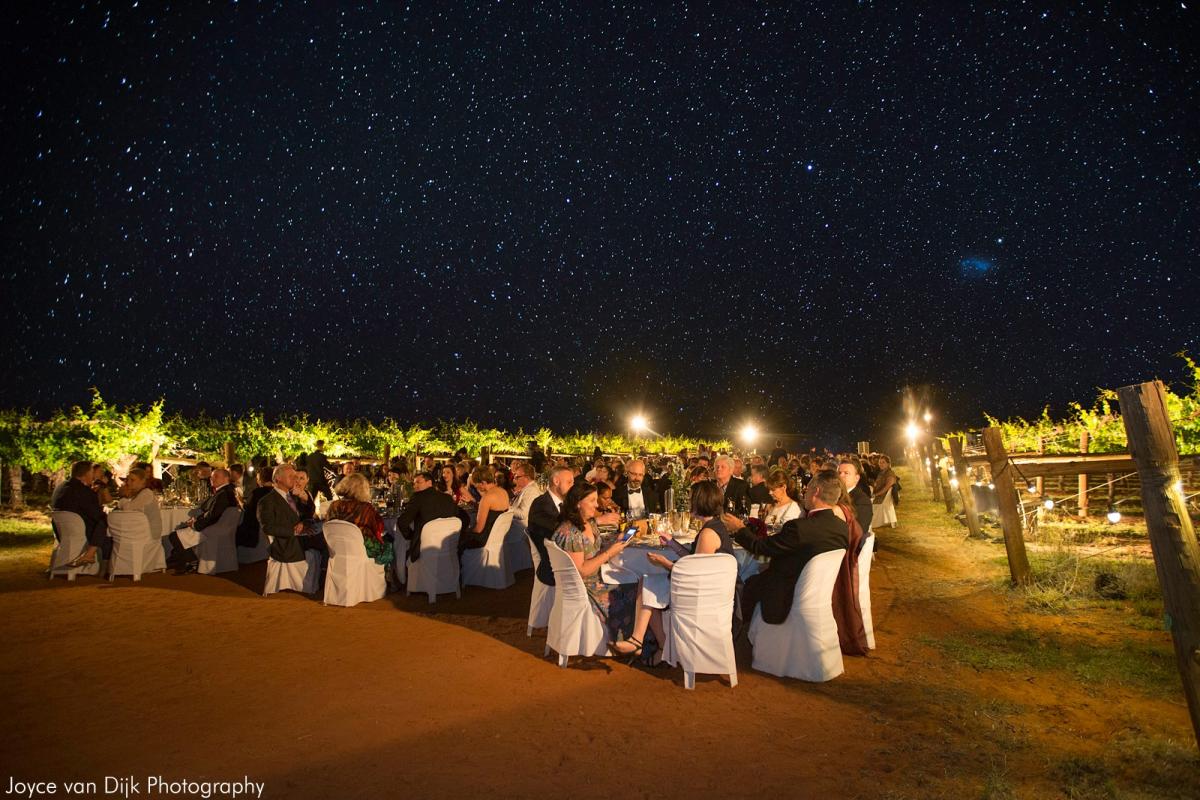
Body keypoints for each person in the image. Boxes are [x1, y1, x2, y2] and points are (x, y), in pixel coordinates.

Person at [630, 480, 736, 663]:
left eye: (691, 498)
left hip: (703, 595)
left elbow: (693, 575)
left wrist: (665, 563)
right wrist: (672, 543)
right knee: (647, 583)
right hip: (713, 591)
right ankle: (642, 642)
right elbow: (694, 560)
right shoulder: (714, 526)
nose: (688, 502)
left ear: (700, 501)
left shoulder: (708, 534)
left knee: (647, 585)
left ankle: (653, 645)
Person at [725, 470, 849, 626]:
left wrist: (739, 529)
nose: (804, 492)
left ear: (816, 492)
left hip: (785, 595)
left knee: (746, 582)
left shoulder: (799, 527)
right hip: (819, 595)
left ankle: (742, 632)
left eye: (808, 489)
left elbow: (761, 547)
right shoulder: (842, 527)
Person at [552, 483, 637, 649]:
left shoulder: (588, 523)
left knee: (638, 582)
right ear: (578, 503)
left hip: (597, 577)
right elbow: (581, 571)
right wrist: (609, 553)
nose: (597, 505)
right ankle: (629, 643)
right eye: (591, 501)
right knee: (636, 591)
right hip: (586, 589)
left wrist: (616, 542)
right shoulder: (571, 533)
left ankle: (635, 642)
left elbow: (594, 551)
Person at [167, 468, 241, 573]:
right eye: (211, 477)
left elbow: (213, 516)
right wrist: (196, 520)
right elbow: (211, 513)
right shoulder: (228, 491)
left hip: (213, 528)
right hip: (218, 527)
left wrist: (195, 524)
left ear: (226, 478)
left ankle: (190, 561)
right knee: (179, 532)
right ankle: (181, 562)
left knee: (174, 536)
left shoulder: (224, 493)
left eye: (216, 476)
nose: (212, 479)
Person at [395, 471, 470, 562]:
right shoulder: (447, 498)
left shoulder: (418, 497)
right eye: (414, 483)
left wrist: (411, 536)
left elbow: (402, 522)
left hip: (424, 549)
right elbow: (466, 519)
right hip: (448, 548)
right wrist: (455, 536)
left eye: (418, 482)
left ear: (429, 483)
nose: (415, 486)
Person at [258, 464, 324, 565]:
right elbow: (268, 527)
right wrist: (295, 531)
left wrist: (305, 500)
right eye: (291, 476)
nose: (295, 479)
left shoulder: (294, 496)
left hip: (303, 540)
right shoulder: (267, 501)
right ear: (278, 479)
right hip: (287, 545)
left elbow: (309, 515)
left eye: (296, 477)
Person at [52, 460, 111, 569]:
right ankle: (92, 556)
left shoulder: (60, 487)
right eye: (92, 473)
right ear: (86, 474)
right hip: (79, 531)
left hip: (61, 532)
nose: (93, 476)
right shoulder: (83, 491)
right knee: (105, 523)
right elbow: (97, 514)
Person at [326, 473, 392, 566]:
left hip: (338, 550)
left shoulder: (334, 505)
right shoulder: (366, 508)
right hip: (362, 551)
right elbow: (378, 529)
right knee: (388, 545)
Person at [526, 466, 573, 586]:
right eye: (569, 482)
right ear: (556, 481)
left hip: (567, 555)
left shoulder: (566, 502)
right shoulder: (540, 505)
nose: (573, 486)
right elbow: (559, 529)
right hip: (553, 566)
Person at [460, 466, 509, 556]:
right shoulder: (503, 492)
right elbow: (492, 511)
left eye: (476, 485)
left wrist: (465, 532)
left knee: (456, 540)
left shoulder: (487, 497)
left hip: (485, 538)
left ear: (483, 483)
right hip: (497, 537)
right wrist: (472, 502)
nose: (476, 487)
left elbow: (478, 529)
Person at [117, 467, 162, 543]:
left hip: (150, 534)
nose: (128, 482)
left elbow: (127, 509)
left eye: (132, 480)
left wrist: (123, 496)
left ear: (142, 481)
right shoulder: (135, 493)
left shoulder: (146, 493)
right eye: (128, 480)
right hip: (138, 529)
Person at [237, 468, 274, 548]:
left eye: (257, 479)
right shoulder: (276, 492)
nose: (257, 481)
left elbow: (248, 509)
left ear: (261, 479)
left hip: (257, 529)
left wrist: (240, 501)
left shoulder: (257, 493)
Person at [838, 460, 874, 535]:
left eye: (846, 473)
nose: (841, 476)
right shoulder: (836, 495)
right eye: (839, 473)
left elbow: (858, 531)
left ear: (856, 478)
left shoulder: (862, 501)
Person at [871, 454, 899, 529]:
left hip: (882, 497)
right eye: (880, 462)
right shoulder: (882, 472)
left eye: (883, 462)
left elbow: (886, 488)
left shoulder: (890, 474)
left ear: (888, 463)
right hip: (879, 494)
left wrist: (875, 494)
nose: (881, 464)